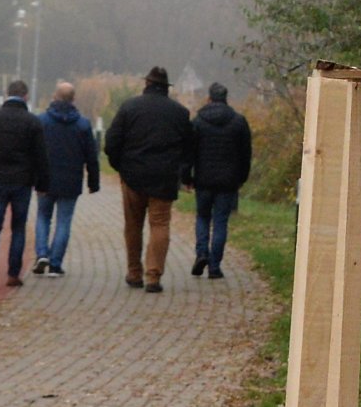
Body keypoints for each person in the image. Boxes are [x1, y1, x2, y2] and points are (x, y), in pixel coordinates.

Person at [103, 65, 194, 292]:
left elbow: (112, 142)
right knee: (160, 224)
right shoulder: (180, 113)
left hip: (133, 175)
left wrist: (120, 167)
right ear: (166, 88)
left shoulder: (129, 107)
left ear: (147, 84)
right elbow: (189, 148)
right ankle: (153, 277)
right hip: (164, 178)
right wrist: (181, 173)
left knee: (133, 225)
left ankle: (134, 273)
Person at [0, 78, 49, 287]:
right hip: (22, 182)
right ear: (25, 96)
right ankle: (13, 274)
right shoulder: (32, 122)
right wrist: (42, 183)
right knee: (18, 227)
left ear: (7, 94)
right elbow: (41, 156)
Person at [33, 81, 100, 276]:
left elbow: (35, 151)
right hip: (71, 180)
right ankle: (55, 264)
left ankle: (41, 254)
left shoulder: (42, 121)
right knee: (64, 221)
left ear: (55, 96)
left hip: (45, 178)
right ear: (73, 99)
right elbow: (91, 156)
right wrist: (93, 182)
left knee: (43, 216)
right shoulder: (83, 125)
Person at [188, 81, 253, 279]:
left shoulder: (198, 122)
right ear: (226, 99)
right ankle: (215, 267)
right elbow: (245, 154)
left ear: (209, 98)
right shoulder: (239, 122)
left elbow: (189, 152)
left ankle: (201, 253)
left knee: (202, 217)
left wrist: (186, 177)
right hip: (228, 182)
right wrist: (241, 178)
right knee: (221, 221)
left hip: (203, 180)